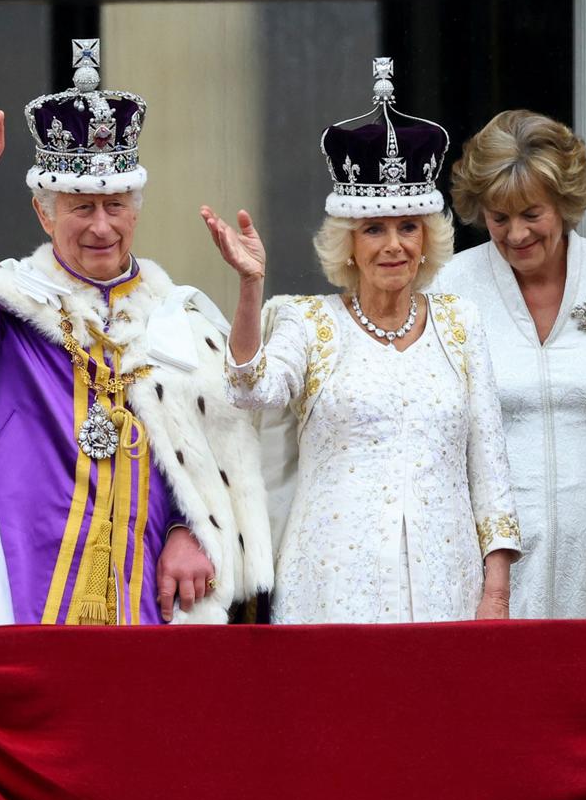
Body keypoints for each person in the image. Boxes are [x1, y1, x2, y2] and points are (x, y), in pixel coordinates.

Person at [0, 40, 272, 626]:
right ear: (44, 213)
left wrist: (191, 528)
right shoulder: (13, 308)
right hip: (23, 570)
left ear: (136, 210)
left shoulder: (179, 320)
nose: (101, 225)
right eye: (80, 207)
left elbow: (218, 455)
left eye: (115, 205)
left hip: (148, 580)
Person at [204, 57, 521, 624]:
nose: (393, 245)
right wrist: (252, 285)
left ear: (428, 239)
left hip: (447, 582)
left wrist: (495, 594)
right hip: (332, 585)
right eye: (374, 229)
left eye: (407, 226)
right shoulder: (309, 322)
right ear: (348, 244)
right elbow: (250, 387)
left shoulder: (460, 322)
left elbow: (490, 470)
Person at [431, 110, 586, 618]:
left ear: (564, 202)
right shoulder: (450, 288)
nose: (516, 234)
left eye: (531, 214)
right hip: (492, 559)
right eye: (498, 217)